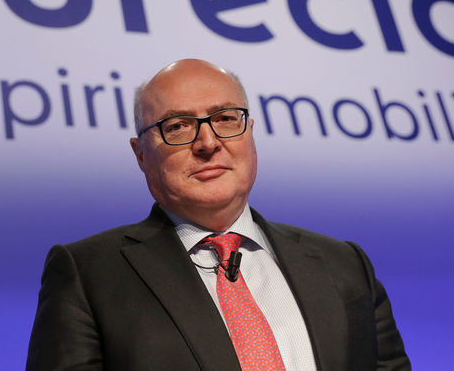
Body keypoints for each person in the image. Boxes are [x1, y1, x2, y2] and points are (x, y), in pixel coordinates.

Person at [26, 58, 410, 371]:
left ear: (250, 132)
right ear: (140, 153)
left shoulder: (343, 264)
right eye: (177, 126)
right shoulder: (87, 273)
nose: (208, 143)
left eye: (226, 118)